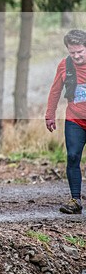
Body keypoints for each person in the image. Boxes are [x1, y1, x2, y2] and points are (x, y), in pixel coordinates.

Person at [45, 29, 86, 214]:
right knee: (72, 156)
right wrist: (50, 114)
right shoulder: (65, 65)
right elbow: (55, 91)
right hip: (75, 119)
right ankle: (75, 200)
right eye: (72, 52)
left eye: (80, 52)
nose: (76, 56)